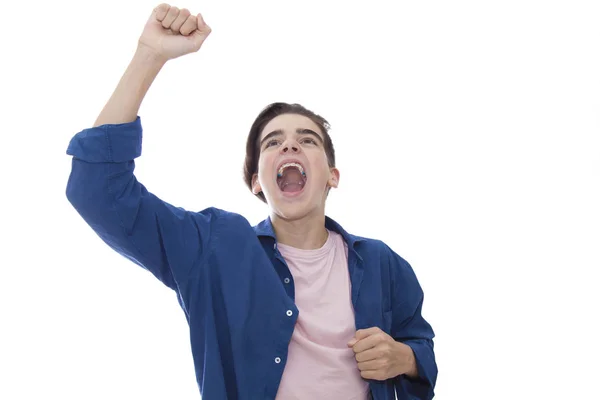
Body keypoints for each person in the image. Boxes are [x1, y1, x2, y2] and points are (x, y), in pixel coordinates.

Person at [65, 3, 437, 399]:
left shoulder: (384, 264)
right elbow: (98, 189)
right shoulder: (214, 247)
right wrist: (149, 55)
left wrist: (405, 359)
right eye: (273, 142)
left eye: (307, 139)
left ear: (333, 176)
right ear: (257, 182)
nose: (290, 143)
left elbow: (420, 347)